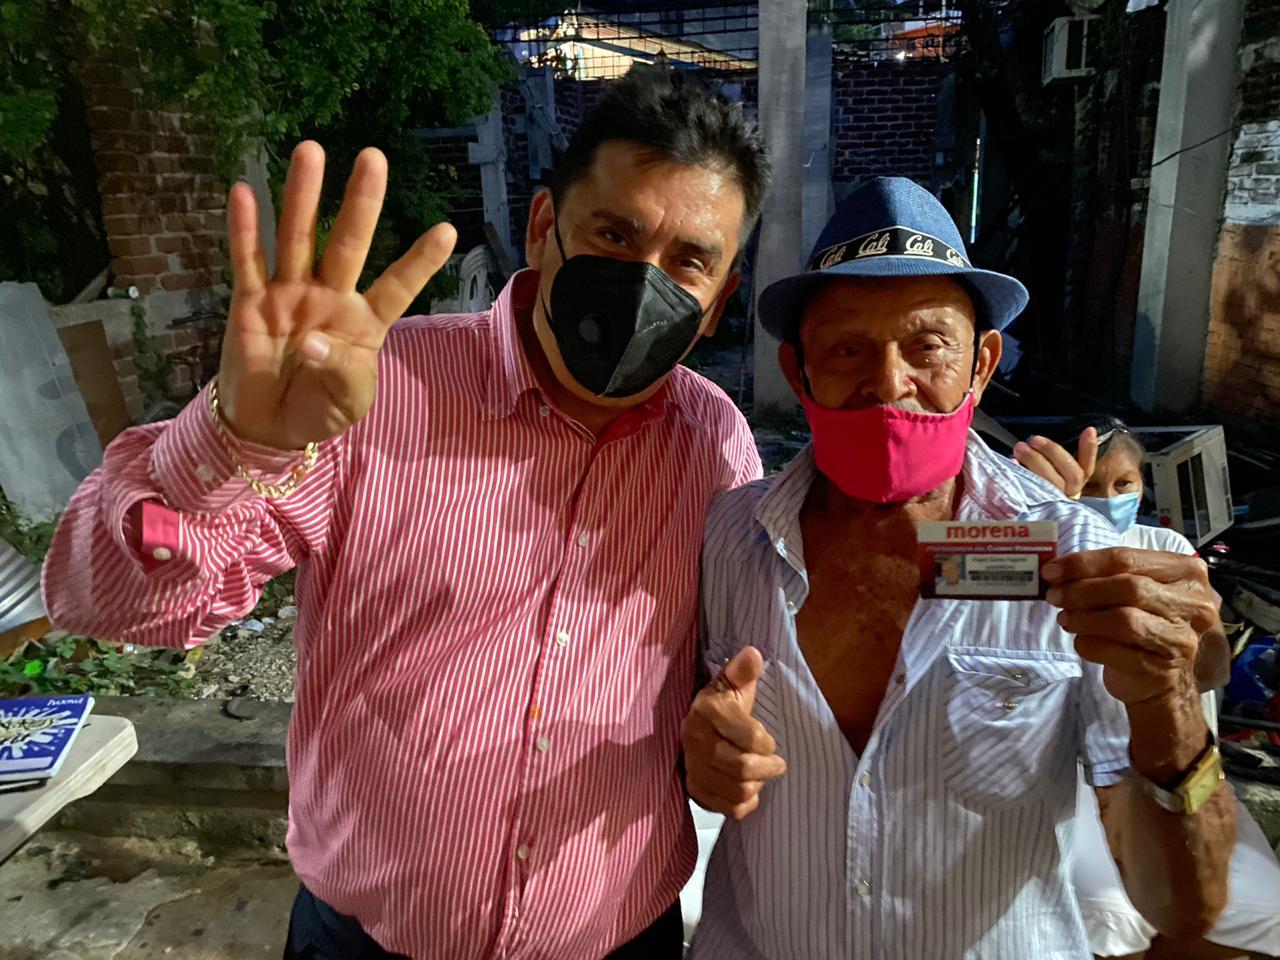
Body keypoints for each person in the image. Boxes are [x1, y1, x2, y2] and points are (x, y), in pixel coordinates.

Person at [41, 67, 769, 960]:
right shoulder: (368, 391)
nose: (641, 281)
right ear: (544, 227)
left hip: (617, 937)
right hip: (366, 942)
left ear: (719, 298)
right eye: (613, 234)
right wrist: (231, 446)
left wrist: (722, 741)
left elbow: (717, 670)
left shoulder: (713, 443)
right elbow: (107, 604)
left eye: (689, 261)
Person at [680, 178, 1236, 959]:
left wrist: (1168, 706)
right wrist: (700, 762)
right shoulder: (727, 540)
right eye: (847, 349)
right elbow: (684, 747)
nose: (889, 383)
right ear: (797, 372)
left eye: (928, 345)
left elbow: (1184, 906)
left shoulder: (1078, 561)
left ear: (982, 363)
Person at [1014, 420, 1280, 960]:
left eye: (1124, 484)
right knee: (1107, 909)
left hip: (1154, 756)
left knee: (1254, 908)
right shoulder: (1031, 550)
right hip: (1064, 766)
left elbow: (1212, 671)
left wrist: (1174, 653)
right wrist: (1049, 526)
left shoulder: (1164, 550)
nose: (1109, 498)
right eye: (1092, 486)